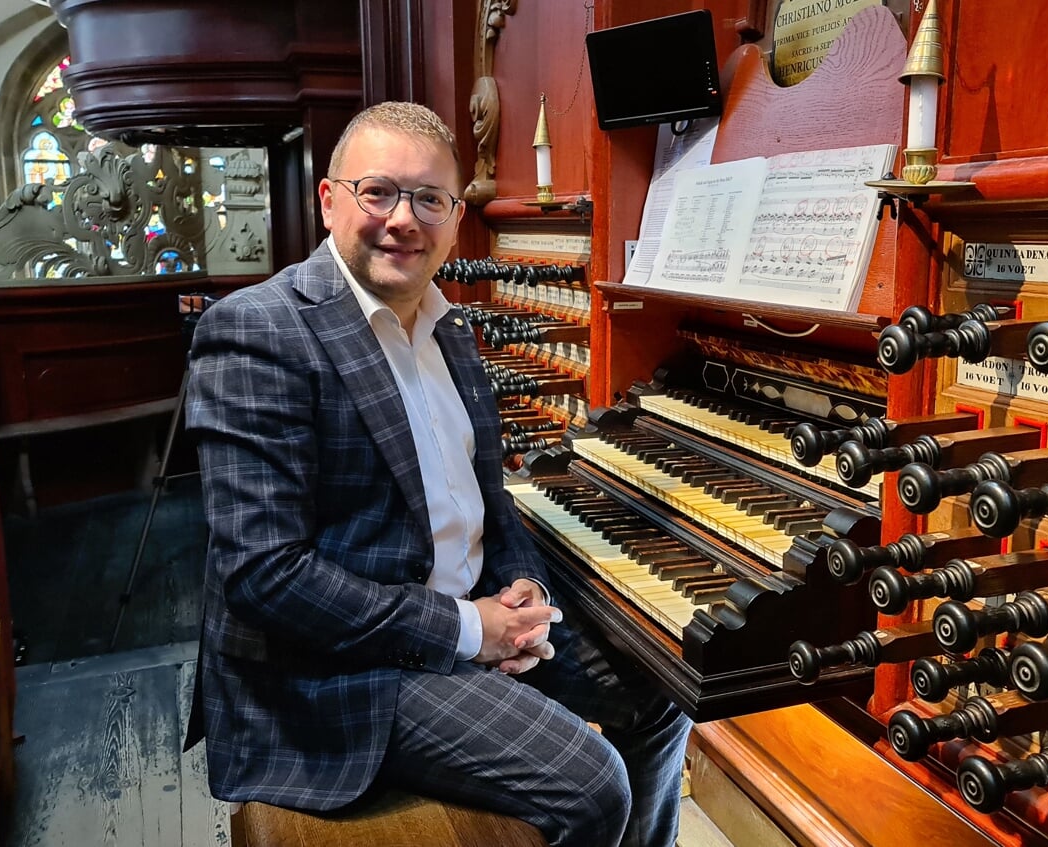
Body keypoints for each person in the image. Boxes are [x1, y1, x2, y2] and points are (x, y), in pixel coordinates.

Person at [185, 101, 691, 847]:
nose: (404, 219)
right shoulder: (259, 330)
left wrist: (526, 592)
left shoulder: (447, 327)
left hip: (462, 611)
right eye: (378, 192)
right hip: (330, 669)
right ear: (329, 201)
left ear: (456, 220)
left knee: (660, 694)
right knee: (590, 783)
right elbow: (265, 574)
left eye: (429, 199)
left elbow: (489, 496)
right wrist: (468, 630)